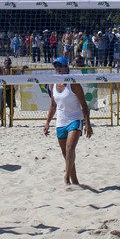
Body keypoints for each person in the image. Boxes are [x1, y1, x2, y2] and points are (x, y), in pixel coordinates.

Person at [44, 56, 92, 185]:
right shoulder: (53, 84)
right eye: (56, 66)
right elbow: (53, 105)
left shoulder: (74, 84)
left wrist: (87, 123)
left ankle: (66, 177)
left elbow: (84, 104)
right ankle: (74, 180)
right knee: (66, 154)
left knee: (70, 149)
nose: (58, 68)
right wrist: (47, 122)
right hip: (61, 121)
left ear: (67, 68)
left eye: (61, 66)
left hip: (75, 119)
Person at [0, 57, 17, 127]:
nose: (7, 62)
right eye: (6, 61)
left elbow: (20, 71)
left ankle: (10, 122)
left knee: (11, 106)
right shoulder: (1, 69)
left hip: (10, 89)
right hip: (2, 88)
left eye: (9, 61)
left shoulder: (13, 70)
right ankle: (2, 122)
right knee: (2, 106)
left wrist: (23, 68)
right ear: (4, 62)